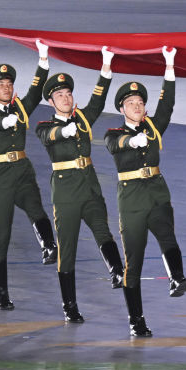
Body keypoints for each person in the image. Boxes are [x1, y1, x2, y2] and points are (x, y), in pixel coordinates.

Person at [105, 47, 186, 338]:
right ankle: (136, 319)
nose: (137, 105)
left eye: (140, 102)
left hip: (157, 193)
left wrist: (169, 65)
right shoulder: (114, 133)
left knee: (168, 237)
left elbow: (167, 105)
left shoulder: (153, 127)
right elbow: (116, 145)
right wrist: (133, 141)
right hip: (132, 201)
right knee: (134, 262)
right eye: (131, 103)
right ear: (122, 109)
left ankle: (177, 278)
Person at [35, 50, 125, 324]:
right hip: (66, 195)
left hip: (90, 188)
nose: (66, 98)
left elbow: (98, 98)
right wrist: (65, 131)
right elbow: (49, 136)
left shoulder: (83, 119)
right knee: (67, 249)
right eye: (60, 95)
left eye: (68, 93)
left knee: (103, 232)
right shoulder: (44, 126)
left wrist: (106, 65)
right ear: (51, 101)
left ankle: (117, 272)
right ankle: (69, 306)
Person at [0, 42, 57, 310]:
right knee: (1, 237)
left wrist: (43, 59)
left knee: (37, 210)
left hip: (22, 172)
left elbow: (35, 91)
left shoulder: (20, 108)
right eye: (1, 85)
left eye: (9, 84)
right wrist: (3, 121)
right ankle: (0, 293)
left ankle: (49, 246)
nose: (6, 88)